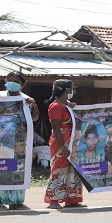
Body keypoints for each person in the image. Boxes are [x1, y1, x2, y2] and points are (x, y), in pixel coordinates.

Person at [0, 71, 38, 211]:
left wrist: (34, 105)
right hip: (0, 140)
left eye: (16, 81)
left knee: (17, 170)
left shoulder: (26, 99)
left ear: (22, 85)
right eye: (9, 80)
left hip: (19, 141)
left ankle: (16, 201)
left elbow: (34, 118)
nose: (12, 83)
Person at [44, 79, 86, 209]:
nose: (73, 91)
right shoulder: (56, 106)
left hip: (72, 142)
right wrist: (63, 147)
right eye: (71, 89)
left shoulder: (67, 105)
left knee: (72, 170)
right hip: (61, 142)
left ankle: (71, 199)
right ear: (67, 90)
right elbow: (56, 127)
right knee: (59, 169)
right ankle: (54, 200)